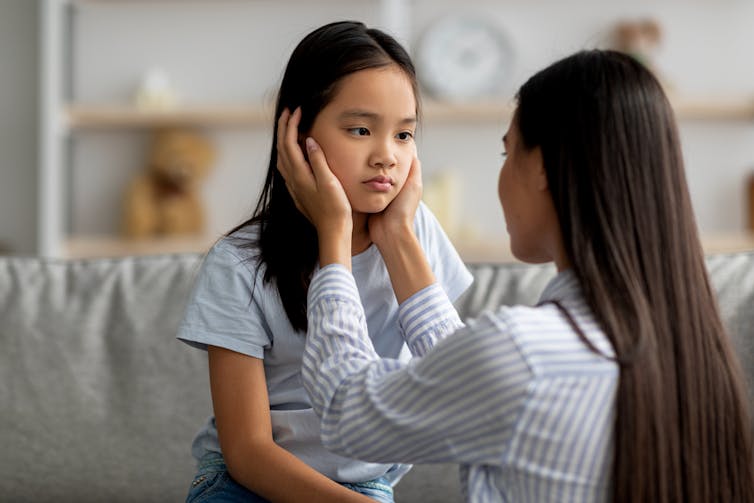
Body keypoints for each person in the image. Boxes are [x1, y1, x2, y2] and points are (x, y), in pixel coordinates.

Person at [279, 49, 754, 502]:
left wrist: (334, 238)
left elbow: (347, 411)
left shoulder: (522, 352)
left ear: (543, 166)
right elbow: (474, 380)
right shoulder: (689, 348)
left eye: (508, 155)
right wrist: (400, 235)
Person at [176, 20, 473, 503]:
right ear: (296, 133)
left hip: (364, 485)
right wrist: (333, 230)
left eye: (404, 134)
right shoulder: (239, 264)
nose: (386, 157)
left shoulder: (419, 236)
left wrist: (397, 235)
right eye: (360, 130)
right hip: (246, 484)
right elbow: (247, 451)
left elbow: (461, 386)